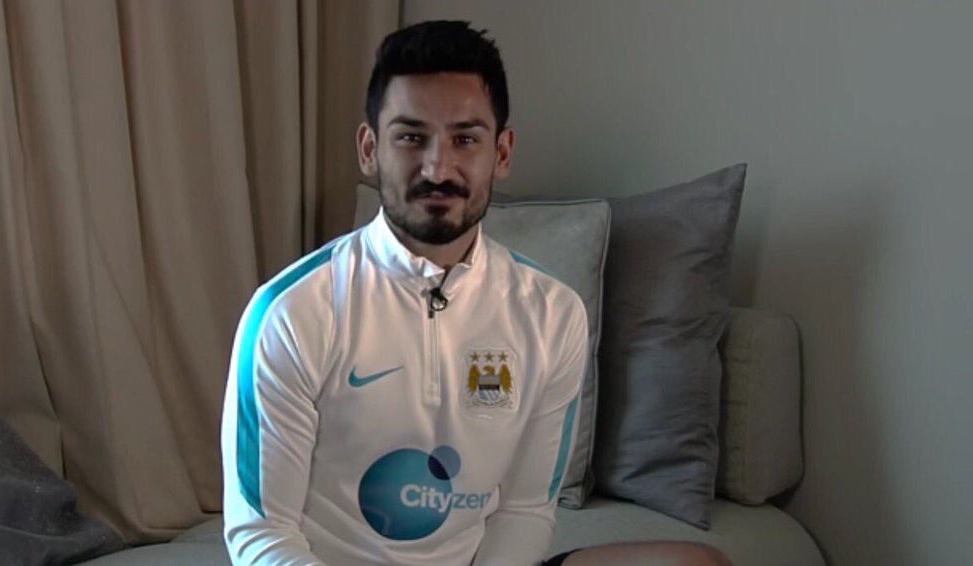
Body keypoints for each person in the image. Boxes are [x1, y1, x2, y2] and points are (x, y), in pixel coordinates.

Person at [221, 20, 730, 566]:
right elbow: (263, 534)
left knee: (697, 564)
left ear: (502, 153)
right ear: (370, 149)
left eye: (465, 139)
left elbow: (525, 508)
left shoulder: (553, 314)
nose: (438, 168)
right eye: (411, 137)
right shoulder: (291, 312)